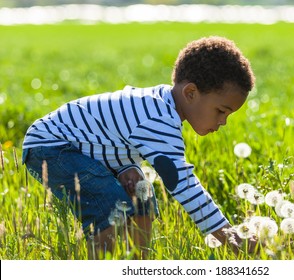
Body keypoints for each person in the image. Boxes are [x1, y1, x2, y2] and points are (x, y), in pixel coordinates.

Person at [22, 36, 258, 259]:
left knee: (141, 193)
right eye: (221, 111)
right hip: (51, 147)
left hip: (78, 147)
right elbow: (182, 184)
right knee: (111, 204)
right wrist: (228, 235)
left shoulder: (160, 105)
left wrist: (125, 165)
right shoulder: (160, 118)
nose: (223, 121)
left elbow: (113, 131)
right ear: (191, 93)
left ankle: (137, 264)